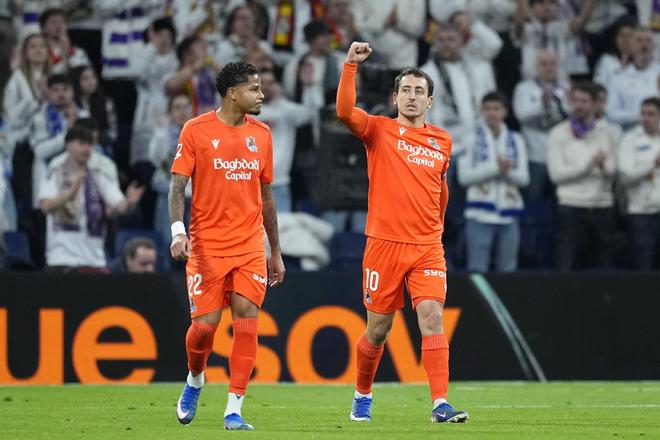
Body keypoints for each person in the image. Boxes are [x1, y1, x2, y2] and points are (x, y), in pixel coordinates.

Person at [336, 42, 468, 423]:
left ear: (430, 101)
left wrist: (435, 229)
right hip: (384, 245)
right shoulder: (378, 130)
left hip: (427, 247)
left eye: (419, 92)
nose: (412, 97)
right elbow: (344, 112)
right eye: (406, 90)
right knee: (378, 331)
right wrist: (350, 66)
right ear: (395, 98)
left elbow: (441, 191)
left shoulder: (442, 141)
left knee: (432, 318)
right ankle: (362, 394)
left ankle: (439, 404)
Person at [169, 61, 285, 430]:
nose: (261, 95)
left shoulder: (262, 134)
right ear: (232, 93)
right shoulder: (196, 130)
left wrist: (275, 250)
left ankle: (234, 408)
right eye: (254, 88)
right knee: (204, 330)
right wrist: (178, 232)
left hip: (249, 245)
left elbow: (267, 196)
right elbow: (177, 187)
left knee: (247, 321)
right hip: (207, 246)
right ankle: (195, 377)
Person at [39, 126, 144, 270]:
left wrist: (129, 202)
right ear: (68, 145)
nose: (87, 149)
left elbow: (119, 206)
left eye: (90, 144)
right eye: (82, 143)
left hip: (94, 259)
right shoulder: (55, 170)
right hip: (61, 258)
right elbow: (45, 206)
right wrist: (72, 192)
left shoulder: (98, 173)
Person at [547, 82, 617, 271]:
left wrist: (602, 165)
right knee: (566, 266)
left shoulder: (606, 133)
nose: (579, 105)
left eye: (584, 101)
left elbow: (612, 171)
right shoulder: (558, 133)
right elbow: (556, 175)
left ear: (594, 104)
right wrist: (588, 167)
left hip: (602, 206)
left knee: (604, 268)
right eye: (576, 101)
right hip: (571, 205)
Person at [617, 97, 660, 270]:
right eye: (643, 114)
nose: (646, 118)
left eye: (651, 114)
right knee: (643, 265)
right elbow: (626, 176)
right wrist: (653, 164)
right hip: (641, 212)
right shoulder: (630, 139)